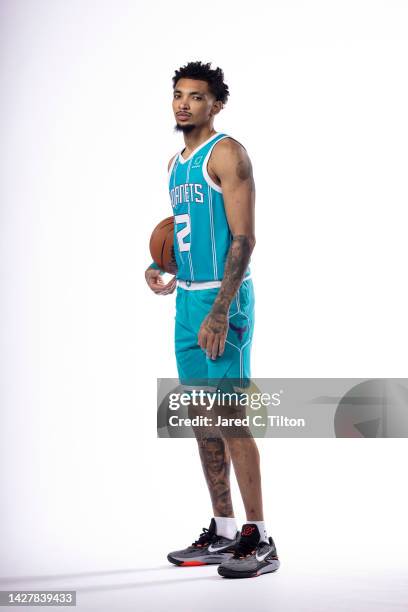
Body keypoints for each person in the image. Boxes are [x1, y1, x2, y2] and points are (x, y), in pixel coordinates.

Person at [145, 61, 280, 579]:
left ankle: (259, 537)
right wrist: (162, 267)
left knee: (230, 419)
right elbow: (186, 235)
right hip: (187, 304)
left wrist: (221, 311)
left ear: (215, 104)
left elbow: (243, 239)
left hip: (225, 303)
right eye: (178, 94)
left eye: (196, 97)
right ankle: (223, 532)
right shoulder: (176, 165)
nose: (183, 103)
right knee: (203, 421)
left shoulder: (226, 153)